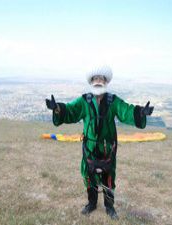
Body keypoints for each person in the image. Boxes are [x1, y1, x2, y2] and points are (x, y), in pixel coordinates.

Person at [45, 65, 154, 220]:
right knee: (89, 177)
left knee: (109, 179)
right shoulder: (84, 101)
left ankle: (109, 208)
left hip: (107, 149)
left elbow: (126, 111)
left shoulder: (113, 101)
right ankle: (91, 203)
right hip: (89, 148)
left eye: (101, 78)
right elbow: (70, 111)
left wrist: (141, 112)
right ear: (91, 81)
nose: (98, 81)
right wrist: (57, 108)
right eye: (95, 78)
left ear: (105, 81)